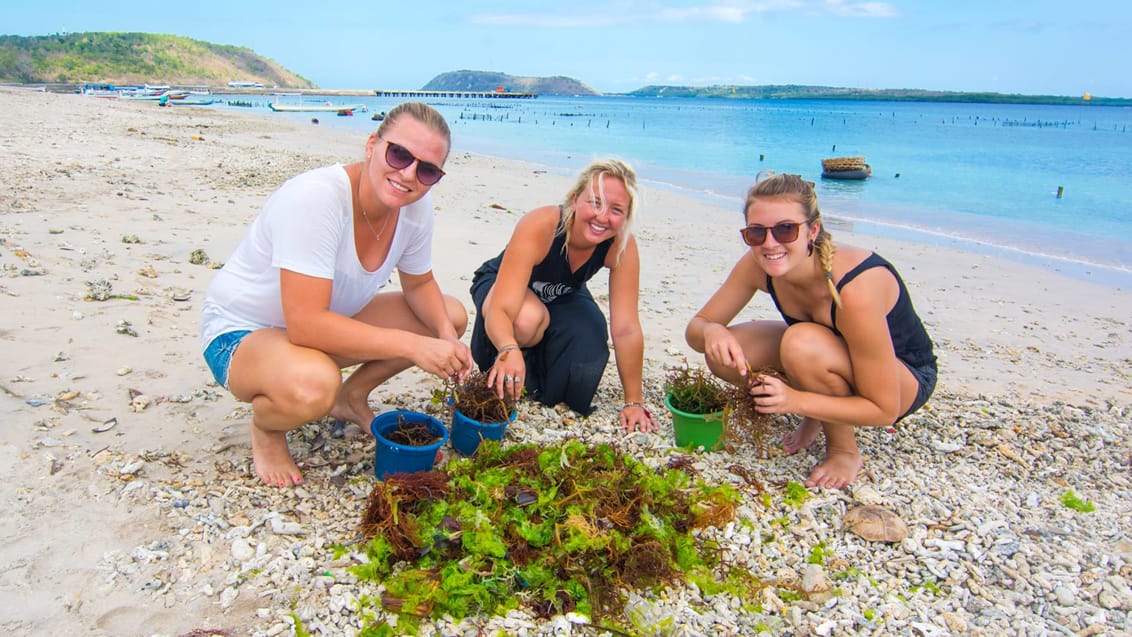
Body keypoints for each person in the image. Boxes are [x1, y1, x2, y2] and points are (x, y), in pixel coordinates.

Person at [199, 102, 473, 487]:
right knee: (315, 385)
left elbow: (419, 284)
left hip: (319, 323)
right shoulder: (317, 199)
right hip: (240, 333)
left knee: (450, 314)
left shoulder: (415, 208)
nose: (408, 174)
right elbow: (306, 325)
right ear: (372, 144)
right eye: (399, 154)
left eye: (426, 170)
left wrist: (446, 339)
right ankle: (267, 430)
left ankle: (351, 397)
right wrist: (414, 347)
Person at [685, 171, 936, 489]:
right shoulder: (757, 264)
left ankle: (844, 449)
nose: (770, 243)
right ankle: (818, 409)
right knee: (726, 353)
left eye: (786, 229)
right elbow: (695, 329)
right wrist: (712, 331)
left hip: (903, 378)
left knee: (801, 342)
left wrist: (795, 401)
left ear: (812, 231)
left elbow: (884, 409)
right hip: (825, 355)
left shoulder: (854, 288)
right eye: (756, 232)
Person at [469, 159, 658, 433]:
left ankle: (536, 381)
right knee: (526, 320)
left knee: (590, 334)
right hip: (504, 287)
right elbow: (502, 309)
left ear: (626, 217)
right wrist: (508, 348)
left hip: (561, 292)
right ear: (574, 200)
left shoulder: (622, 245)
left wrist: (634, 402)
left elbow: (626, 328)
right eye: (596, 202)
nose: (603, 217)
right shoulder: (542, 224)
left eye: (616, 210)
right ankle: (504, 367)